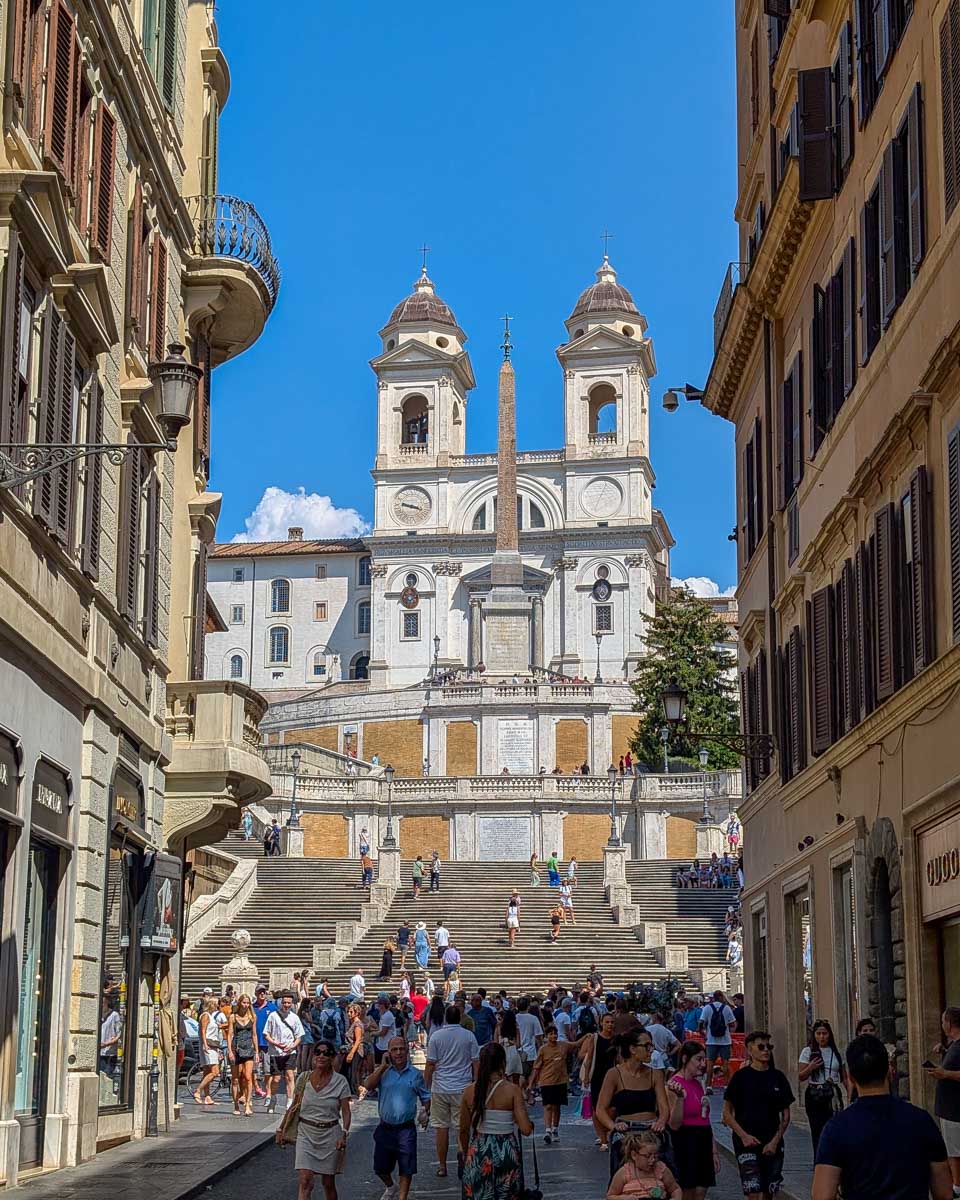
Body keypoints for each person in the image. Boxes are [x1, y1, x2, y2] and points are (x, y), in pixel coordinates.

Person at [816, 1034, 952, 1200]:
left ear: (851, 1077)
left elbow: (822, 1195)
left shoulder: (836, 1129)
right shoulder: (922, 1121)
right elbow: (944, 1193)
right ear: (889, 1071)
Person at [722, 1030, 794, 1200]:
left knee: (769, 1190)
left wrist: (775, 1141)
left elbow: (786, 1115)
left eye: (769, 1046)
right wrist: (744, 1136)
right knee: (753, 1190)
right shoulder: (740, 1078)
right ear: (749, 1050)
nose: (766, 1050)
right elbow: (727, 1112)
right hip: (745, 1142)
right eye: (761, 1047)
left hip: (771, 1141)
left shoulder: (778, 1077)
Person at [359, 1035, 431, 1200]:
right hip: (385, 1127)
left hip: (406, 1128)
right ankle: (391, 1187)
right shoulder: (383, 1073)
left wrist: (426, 1112)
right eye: (394, 1049)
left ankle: (402, 1197)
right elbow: (367, 1085)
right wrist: (383, 1067)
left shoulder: (415, 1074)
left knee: (407, 1167)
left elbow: (426, 1097)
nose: (398, 1053)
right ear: (388, 1053)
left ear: (407, 1051)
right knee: (380, 1167)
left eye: (402, 1049)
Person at [459, 1042, 534, 1200]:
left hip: (479, 1150)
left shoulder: (469, 1091)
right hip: (506, 1150)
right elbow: (526, 1129)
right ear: (502, 1063)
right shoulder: (512, 1090)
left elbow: (464, 1130)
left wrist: (466, 1155)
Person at [280, 1040, 351, 1200]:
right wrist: (281, 1129)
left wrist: (344, 1133)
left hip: (330, 1135)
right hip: (306, 1133)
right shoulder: (303, 1078)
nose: (321, 1056)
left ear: (332, 1058)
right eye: (318, 1052)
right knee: (305, 1180)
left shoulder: (340, 1081)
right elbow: (294, 1107)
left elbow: (346, 1112)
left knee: (328, 1182)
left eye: (326, 1053)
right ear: (313, 1056)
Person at [596, 1027, 670, 1177]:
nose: (651, 1050)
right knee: (624, 1177)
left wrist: (661, 1121)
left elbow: (664, 1107)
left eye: (652, 1046)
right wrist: (613, 1126)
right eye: (647, 1046)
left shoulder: (655, 1074)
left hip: (651, 1132)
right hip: (625, 1133)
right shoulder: (614, 1074)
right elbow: (600, 1109)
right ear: (633, 1049)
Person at [425, 1004, 480, 1178]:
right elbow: (475, 1062)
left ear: (445, 1018)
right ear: (460, 1018)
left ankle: (442, 1165)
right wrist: (476, 1082)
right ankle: (463, 1155)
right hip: (463, 1087)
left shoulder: (436, 1036)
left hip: (440, 1087)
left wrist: (426, 1087)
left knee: (441, 1127)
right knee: (461, 1127)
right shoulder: (469, 1036)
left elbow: (430, 1064)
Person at [666, 1041, 718, 1198]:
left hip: (703, 1139)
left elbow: (705, 1119)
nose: (703, 1064)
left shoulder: (697, 1084)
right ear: (685, 1059)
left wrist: (713, 1151)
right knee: (688, 1191)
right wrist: (680, 1099)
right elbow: (674, 1124)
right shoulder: (673, 1085)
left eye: (704, 1060)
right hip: (685, 1141)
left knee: (701, 1190)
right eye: (698, 1059)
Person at [528, 1022, 586, 1144]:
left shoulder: (563, 1045)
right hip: (546, 1082)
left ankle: (555, 1129)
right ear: (546, 1036)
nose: (553, 1036)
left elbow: (576, 1044)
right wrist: (531, 1084)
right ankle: (547, 1130)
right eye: (551, 1034)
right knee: (548, 1106)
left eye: (555, 1034)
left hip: (560, 1081)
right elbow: (536, 1067)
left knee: (557, 1106)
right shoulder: (543, 1050)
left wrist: (587, 1036)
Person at [798, 1019, 847, 1154]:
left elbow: (844, 1077)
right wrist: (811, 1067)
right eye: (818, 1033)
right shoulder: (808, 1051)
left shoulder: (836, 1053)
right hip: (815, 1093)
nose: (822, 1037)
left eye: (824, 1033)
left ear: (829, 1034)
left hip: (832, 1093)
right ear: (814, 1035)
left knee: (834, 1127)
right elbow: (801, 1076)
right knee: (817, 1129)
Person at [928, 1006, 960, 1196]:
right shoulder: (954, 1045)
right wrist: (945, 1051)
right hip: (950, 1108)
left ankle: (957, 1186)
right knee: (952, 1147)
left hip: (954, 1110)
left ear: (949, 1023)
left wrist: (944, 1073)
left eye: (942, 1021)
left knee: (954, 1150)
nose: (941, 1025)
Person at [580, 1011, 618, 1149]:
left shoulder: (616, 1039)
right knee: (597, 1108)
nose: (609, 1025)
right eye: (607, 1022)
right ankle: (603, 1139)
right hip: (597, 1075)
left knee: (612, 1107)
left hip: (613, 1076)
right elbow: (589, 1058)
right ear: (601, 1023)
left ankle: (608, 1131)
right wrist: (586, 1077)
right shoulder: (595, 1038)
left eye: (612, 1022)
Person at [606, 1130, 682, 1199]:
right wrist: (623, 1198)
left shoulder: (661, 1169)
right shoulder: (624, 1173)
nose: (652, 1160)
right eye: (647, 1156)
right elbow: (610, 1196)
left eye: (655, 1156)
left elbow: (675, 1189)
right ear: (634, 1155)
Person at [264, 990, 305, 1113]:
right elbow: (266, 1034)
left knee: (290, 1076)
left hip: (289, 1052)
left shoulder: (295, 1018)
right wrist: (275, 1043)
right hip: (275, 1052)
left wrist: (293, 1046)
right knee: (276, 1079)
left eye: (289, 1003)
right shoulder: (273, 1016)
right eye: (285, 1002)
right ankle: (273, 1098)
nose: (286, 1005)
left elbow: (299, 1036)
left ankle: (289, 1101)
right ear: (281, 1002)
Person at [698, 990, 736, 1093]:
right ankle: (726, 1085)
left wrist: (703, 1033)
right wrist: (729, 1032)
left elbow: (701, 1022)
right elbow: (733, 1023)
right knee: (725, 1063)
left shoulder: (707, 1008)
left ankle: (709, 1085)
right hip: (725, 1040)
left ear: (713, 998)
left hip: (711, 1040)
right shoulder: (727, 1008)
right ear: (721, 997)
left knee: (710, 1063)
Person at [227, 993, 258, 1116]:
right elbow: (230, 1035)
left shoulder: (252, 1017)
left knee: (248, 1077)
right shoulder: (233, 1017)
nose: (245, 1005)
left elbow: (254, 1034)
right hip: (236, 1048)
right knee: (235, 1079)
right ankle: (235, 1104)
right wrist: (229, 1051)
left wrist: (256, 1051)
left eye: (247, 1003)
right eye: (244, 1002)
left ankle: (248, 1103)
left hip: (248, 1048)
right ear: (239, 1003)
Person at [194, 996, 222, 1105]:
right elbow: (203, 1031)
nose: (218, 1006)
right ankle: (198, 1090)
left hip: (212, 1045)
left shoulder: (211, 1016)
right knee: (215, 1072)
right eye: (217, 1004)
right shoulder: (205, 1016)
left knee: (207, 1071)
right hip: (208, 1046)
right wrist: (205, 1045)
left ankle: (207, 1096)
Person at [498, 1009, 525, 1085]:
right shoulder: (516, 1029)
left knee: (506, 1077)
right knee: (516, 1079)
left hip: (504, 1052)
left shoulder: (501, 1028)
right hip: (513, 1052)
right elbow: (518, 1044)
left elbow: (498, 1042)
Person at [343, 1003, 366, 1093]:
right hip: (350, 1049)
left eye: (351, 1012)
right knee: (348, 1072)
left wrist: (351, 1053)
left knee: (353, 1073)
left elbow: (358, 1040)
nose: (349, 1013)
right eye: (348, 1011)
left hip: (356, 1051)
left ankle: (354, 1091)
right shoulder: (352, 1023)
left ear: (356, 1013)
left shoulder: (357, 1024)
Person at [374, 996, 397, 1065]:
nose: (378, 1007)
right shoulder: (384, 1015)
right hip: (381, 1044)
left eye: (379, 1005)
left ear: (382, 1005)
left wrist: (373, 1034)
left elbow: (383, 1032)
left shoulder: (387, 1016)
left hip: (387, 1045)